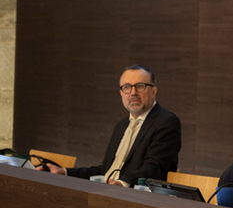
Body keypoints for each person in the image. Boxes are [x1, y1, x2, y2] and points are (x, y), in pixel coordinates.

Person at [38, 65, 181, 186]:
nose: (133, 93)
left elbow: (153, 169)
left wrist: (121, 183)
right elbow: (105, 170)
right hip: (106, 191)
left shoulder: (166, 122)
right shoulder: (122, 125)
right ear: (121, 93)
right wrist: (64, 172)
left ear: (154, 91)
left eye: (140, 86)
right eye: (127, 87)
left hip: (138, 199)